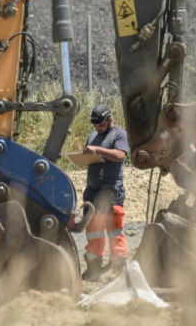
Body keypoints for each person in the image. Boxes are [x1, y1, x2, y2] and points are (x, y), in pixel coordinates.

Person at [81, 103, 129, 281]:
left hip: (110, 190)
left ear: (110, 120)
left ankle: (117, 269)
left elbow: (120, 155)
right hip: (92, 190)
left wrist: (98, 150)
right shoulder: (93, 135)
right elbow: (91, 154)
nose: (98, 128)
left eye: (101, 125)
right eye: (95, 125)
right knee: (93, 230)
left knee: (114, 229)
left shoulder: (119, 134)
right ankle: (93, 269)